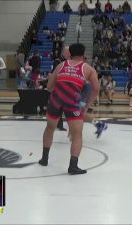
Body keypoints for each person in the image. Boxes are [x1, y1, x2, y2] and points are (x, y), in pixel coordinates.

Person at [39, 43, 100, 175]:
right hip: (73, 102)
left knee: (50, 127)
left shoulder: (60, 65)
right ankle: (73, 166)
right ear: (84, 55)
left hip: (56, 100)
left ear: (70, 53)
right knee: (77, 134)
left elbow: (49, 87)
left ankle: (44, 159)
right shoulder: (88, 69)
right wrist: (87, 105)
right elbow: (96, 89)